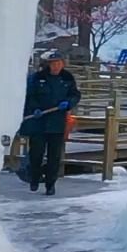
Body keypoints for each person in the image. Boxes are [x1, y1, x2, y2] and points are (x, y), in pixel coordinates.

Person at [19, 50, 80, 195]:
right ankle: (34, 177)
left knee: (54, 156)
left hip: (57, 123)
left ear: (62, 64)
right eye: (53, 63)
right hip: (39, 122)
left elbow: (75, 94)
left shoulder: (67, 78)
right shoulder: (38, 78)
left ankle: (50, 184)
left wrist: (69, 103)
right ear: (49, 65)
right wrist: (34, 109)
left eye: (59, 63)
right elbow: (29, 96)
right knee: (36, 153)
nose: (56, 66)